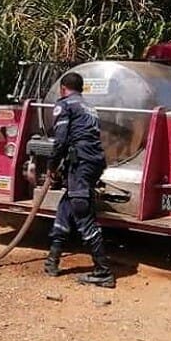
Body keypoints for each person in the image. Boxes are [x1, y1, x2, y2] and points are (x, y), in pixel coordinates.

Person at [44, 72, 115, 288]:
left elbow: (61, 140)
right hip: (94, 162)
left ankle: (103, 271)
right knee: (68, 204)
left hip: (81, 163)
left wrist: (51, 166)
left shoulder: (65, 104)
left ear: (63, 88)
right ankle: (52, 260)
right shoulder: (89, 107)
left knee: (81, 210)